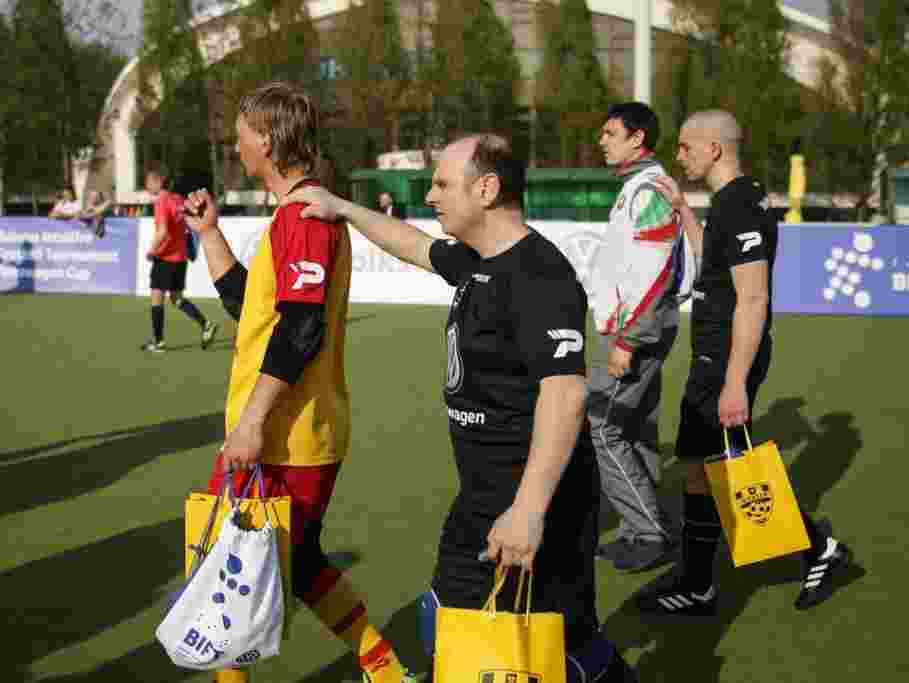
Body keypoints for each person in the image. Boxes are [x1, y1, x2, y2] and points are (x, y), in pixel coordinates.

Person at [285, 133, 637, 682]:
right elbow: (414, 246)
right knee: (448, 624)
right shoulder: (478, 260)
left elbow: (565, 393)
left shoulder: (539, 275)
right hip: (480, 494)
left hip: (537, 498)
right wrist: (343, 208)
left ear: (487, 189)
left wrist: (528, 510)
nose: (430, 196)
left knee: (557, 646)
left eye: (443, 184)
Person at [184, 82, 418, 683]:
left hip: (287, 437)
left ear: (266, 139)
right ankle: (384, 668)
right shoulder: (297, 212)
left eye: (241, 135)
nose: (236, 145)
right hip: (294, 432)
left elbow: (301, 328)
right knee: (298, 562)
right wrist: (209, 234)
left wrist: (252, 422)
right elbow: (256, 314)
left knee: (228, 566)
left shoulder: (304, 215)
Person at [637, 109, 852, 615]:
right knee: (703, 467)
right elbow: (712, 261)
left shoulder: (739, 205)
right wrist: (683, 212)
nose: (679, 155)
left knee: (731, 467)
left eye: (686, 146)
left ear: (713, 148)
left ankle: (819, 550)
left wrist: (734, 381)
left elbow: (753, 299)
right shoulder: (733, 199)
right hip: (715, 354)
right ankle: (697, 584)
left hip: (726, 357)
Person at [588, 102, 695, 572]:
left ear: (637, 139)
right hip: (641, 326)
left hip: (636, 330)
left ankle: (648, 531)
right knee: (634, 428)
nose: (601, 141)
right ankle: (643, 530)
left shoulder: (648, 188)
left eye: (610, 133)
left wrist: (628, 340)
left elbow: (655, 273)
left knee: (601, 425)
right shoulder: (642, 186)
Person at [140, 164, 217, 353]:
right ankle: (206, 324)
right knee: (176, 298)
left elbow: (163, 231)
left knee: (157, 298)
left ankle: (158, 342)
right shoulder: (178, 200)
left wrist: (152, 250)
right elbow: (189, 226)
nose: (147, 185)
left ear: (158, 181)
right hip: (180, 258)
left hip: (165, 257)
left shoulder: (162, 201)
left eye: (148, 181)